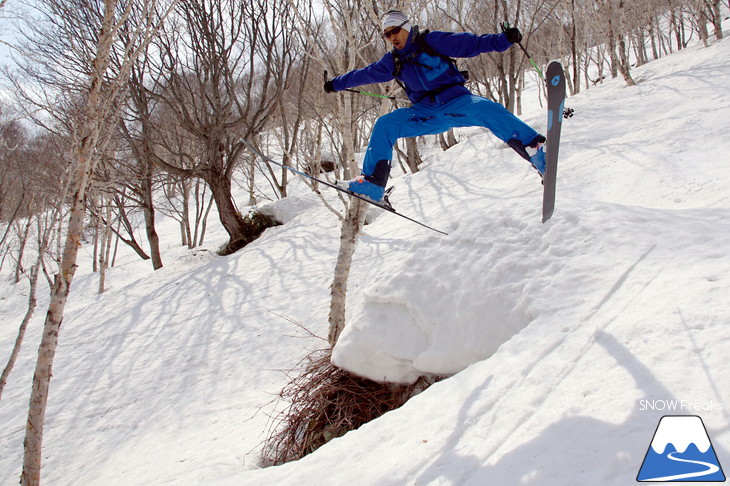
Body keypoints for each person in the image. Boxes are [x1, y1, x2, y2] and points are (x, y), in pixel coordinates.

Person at [324, 10, 546, 203]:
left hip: (457, 102)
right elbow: (364, 74)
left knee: (488, 109)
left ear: (407, 27)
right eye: (387, 34)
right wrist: (336, 84)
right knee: (386, 124)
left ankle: (535, 151)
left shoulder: (431, 42)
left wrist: (503, 40)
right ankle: (373, 183)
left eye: (395, 31)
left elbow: (471, 44)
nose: (392, 37)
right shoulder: (393, 61)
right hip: (426, 113)